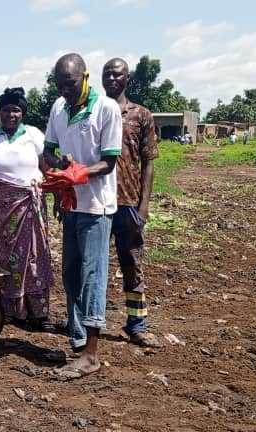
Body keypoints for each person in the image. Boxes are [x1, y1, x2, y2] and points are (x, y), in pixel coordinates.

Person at [41, 53, 123, 379]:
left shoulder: (106, 109)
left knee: (93, 277)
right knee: (71, 275)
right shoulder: (59, 109)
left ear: (85, 77)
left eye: (71, 84)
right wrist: (57, 169)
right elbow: (47, 149)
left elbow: (109, 162)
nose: (65, 90)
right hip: (71, 206)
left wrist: (78, 174)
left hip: (97, 208)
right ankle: (77, 343)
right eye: (60, 85)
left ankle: (91, 353)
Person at [0, 88, 54, 332]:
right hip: (3, 207)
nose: (11, 114)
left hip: (30, 203)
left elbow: (47, 167)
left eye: (16, 110)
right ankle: (11, 310)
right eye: (6, 110)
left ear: (23, 113)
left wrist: (59, 192)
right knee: (7, 257)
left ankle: (38, 312)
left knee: (36, 255)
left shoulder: (34, 135)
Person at [101, 58, 162, 348]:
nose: (112, 79)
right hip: (96, 203)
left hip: (128, 202)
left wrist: (144, 205)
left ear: (128, 78)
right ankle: (92, 322)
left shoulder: (141, 115)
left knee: (132, 264)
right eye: (107, 75)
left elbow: (149, 162)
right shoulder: (94, 112)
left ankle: (137, 324)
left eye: (118, 74)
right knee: (95, 266)